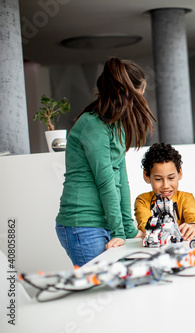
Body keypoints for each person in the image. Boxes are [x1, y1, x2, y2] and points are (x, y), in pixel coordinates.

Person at [55, 57, 156, 267]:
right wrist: (119, 231)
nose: (142, 101)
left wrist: (127, 228)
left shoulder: (116, 126)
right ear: (128, 94)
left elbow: (121, 180)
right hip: (83, 224)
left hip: (105, 223)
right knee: (101, 289)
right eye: (140, 94)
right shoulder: (92, 125)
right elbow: (105, 182)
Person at [134, 143, 195, 241]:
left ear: (180, 173)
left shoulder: (186, 198)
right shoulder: (143, 200)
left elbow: (193, 218)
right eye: (158, 179)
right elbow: (145, 224)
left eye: (171, 178)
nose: (165, 186)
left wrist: (193, 226)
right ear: (147, 177)